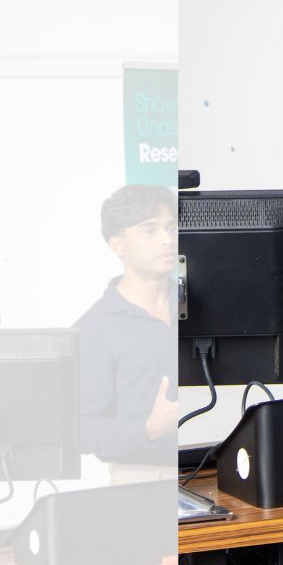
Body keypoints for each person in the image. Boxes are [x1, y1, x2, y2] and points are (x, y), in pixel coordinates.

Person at [76, 185, 178, 482]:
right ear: (117, 245)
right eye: (150, 230)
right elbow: (82, 429)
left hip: (212, 467)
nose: (167, 239)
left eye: (171, 227)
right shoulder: (94, 327)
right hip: (142, 478)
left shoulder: (200, 305)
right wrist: (149, 429)